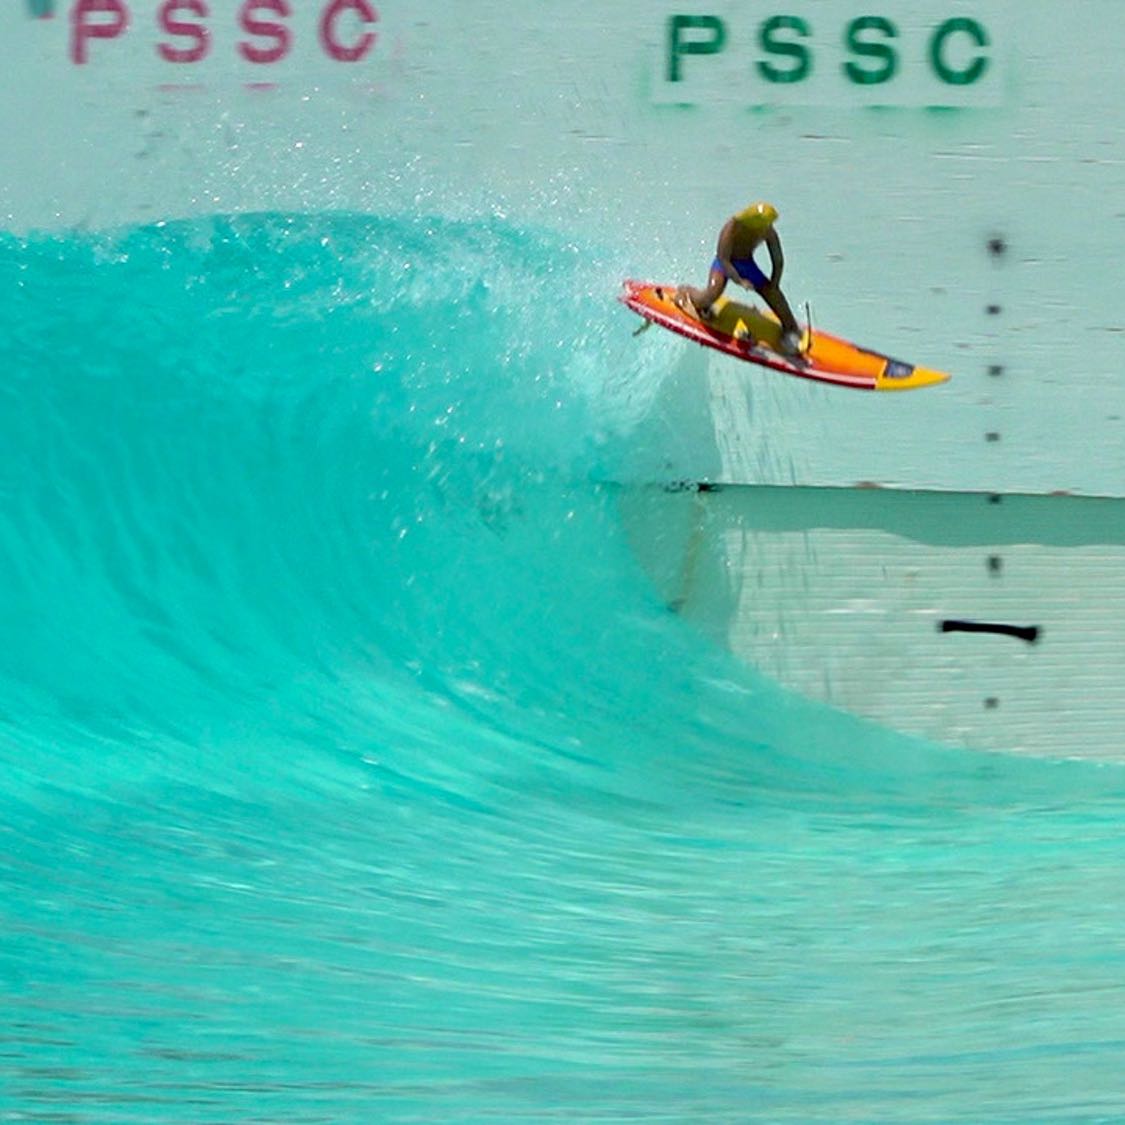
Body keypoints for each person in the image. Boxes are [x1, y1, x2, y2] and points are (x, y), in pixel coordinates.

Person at [675, 202, 803, 356]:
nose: (764, 228)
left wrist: (774, 282)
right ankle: (687, 291)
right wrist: (739, 281)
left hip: (746, 264)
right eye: (761, 225)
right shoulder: (732, 227)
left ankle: (790, 329)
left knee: (773, 294)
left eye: (767, 224)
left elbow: (778, 260)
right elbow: (723, 259)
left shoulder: (768, 231)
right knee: (711, 294)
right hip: (725, 265)